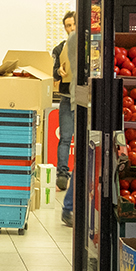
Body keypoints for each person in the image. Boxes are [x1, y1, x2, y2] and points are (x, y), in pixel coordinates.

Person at [51, 12, 76, 194]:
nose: (71, 28)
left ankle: (81, 176)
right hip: (67, 97)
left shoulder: (90, 46)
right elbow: (54, 74)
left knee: (86, 139)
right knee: (66, 138)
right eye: (67, 25)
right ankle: (62, 175)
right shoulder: (60, 49)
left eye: (73, 24)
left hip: (85, 99)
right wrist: (59, 71)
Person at [59, 15, 78, 227]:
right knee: (66, 139)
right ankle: (69, 207)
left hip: (77, 101)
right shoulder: (74, 40)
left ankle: (70, 207)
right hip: (76, 102)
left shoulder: (74, 40)